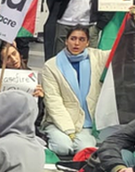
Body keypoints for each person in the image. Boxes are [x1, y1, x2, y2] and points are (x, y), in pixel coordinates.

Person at [40, 25, 108, 156]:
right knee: (62, 147)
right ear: (66, 41)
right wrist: (68, 130)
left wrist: (133, 25)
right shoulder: (51, 65)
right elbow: (53, 101)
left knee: (84, 150)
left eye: (82, 39)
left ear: (88, 42)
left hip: (86, 124)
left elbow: (124, 50)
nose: (76, 43)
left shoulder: (97, 57)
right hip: (58, 123)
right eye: (73, 39)